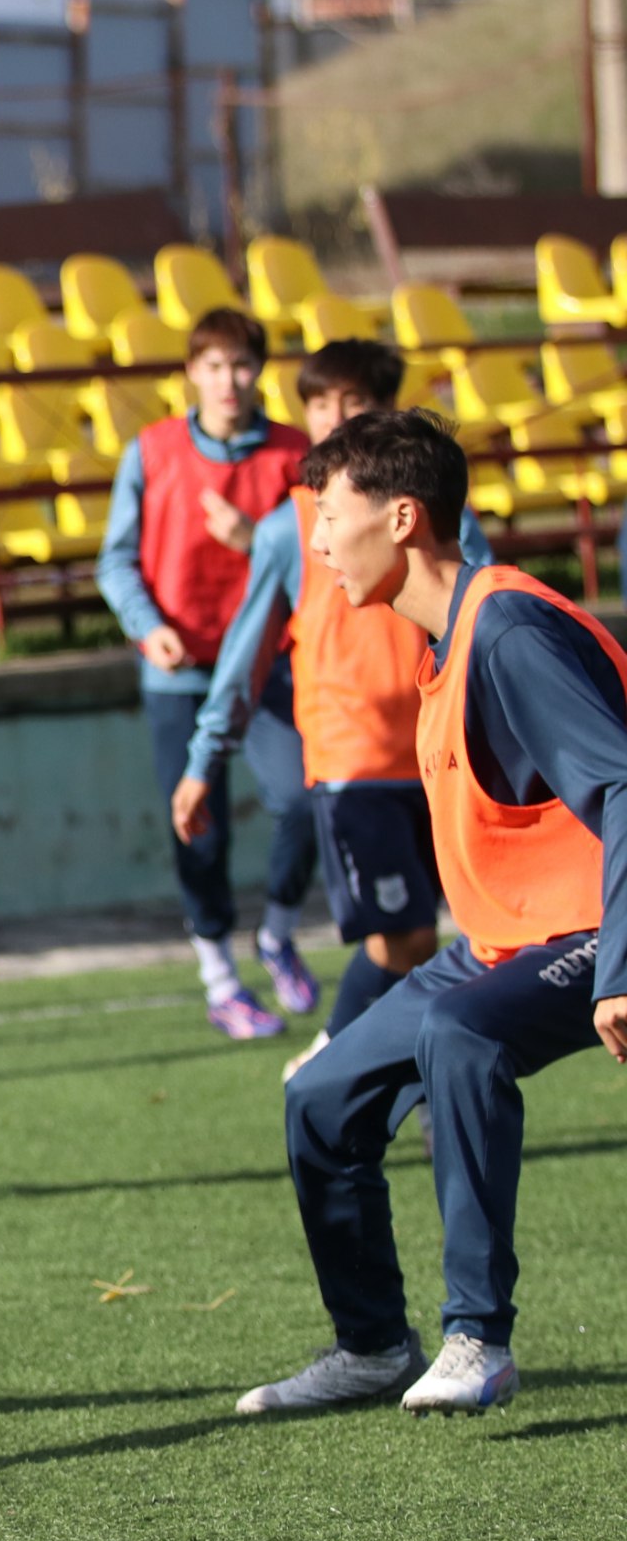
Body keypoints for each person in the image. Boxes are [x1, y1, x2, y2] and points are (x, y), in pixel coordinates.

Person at [240, 409, 627, 1417]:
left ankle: (476, 1338)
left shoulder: (504, 628)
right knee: (319, 1097)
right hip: (510, 940)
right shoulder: (444, 638)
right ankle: (370, 1345)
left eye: (328, 515)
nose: (313, 541)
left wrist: (619, 967)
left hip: (600, 929)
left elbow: (622, 789)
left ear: (401, 517)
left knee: (462, 1035)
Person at [171, 340, 494, 1080]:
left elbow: (480, 613)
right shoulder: (292, 529)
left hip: (443, 758)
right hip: (354, 765)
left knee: (476, 939)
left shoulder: (432, 517)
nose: (337, 419)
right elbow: (245, 656)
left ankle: (422, 1088)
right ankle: (334, 1060)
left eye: (355, 404)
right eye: (321, 405)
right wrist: (202, 761)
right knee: (401, 940)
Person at [95, 306, 319, 1041]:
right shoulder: (153, 451)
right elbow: (116, 560)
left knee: (305, 798)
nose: (230, 380)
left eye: (243, 364)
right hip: (180, 672)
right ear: (191, 372)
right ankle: (219, 977)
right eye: (215, 365)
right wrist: (146, 626)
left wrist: (254, 540)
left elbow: (322, 561)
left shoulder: (294, 454)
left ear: (262, 371)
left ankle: (278, 933)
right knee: (200, 827)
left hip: (271, 664)